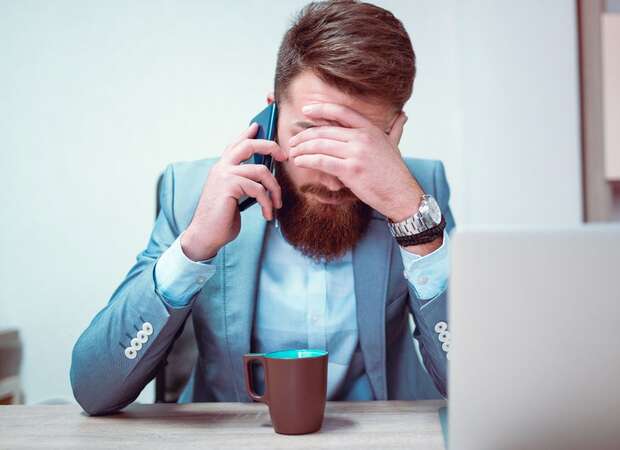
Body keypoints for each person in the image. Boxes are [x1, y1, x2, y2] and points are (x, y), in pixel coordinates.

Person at [70, 0, 454, 416]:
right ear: (272, 110)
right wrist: (194, 246)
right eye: (311, 136)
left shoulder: (418, 194)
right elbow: (93, 390)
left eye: (360, 144)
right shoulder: (190, 192)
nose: (332, 174)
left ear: (395, 130)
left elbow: (479, 387)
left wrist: (413, 221)